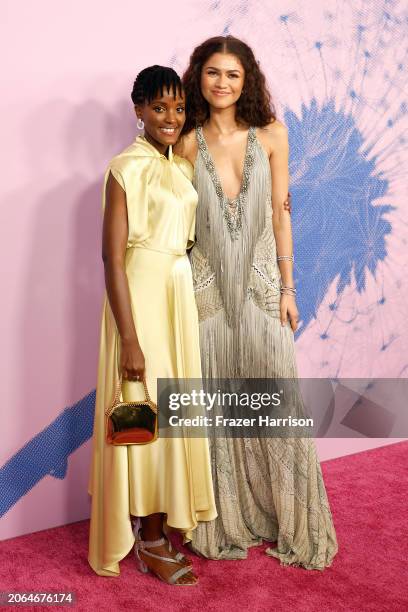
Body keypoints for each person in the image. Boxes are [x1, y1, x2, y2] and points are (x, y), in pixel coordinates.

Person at [175, 36, 338, 569]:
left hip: (265, 287)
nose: (222, 83)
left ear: (247, 82)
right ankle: (225, 518)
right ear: (198, 77)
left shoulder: (272, 135)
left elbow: (280, 214)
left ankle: (286, 519)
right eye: (213, 73)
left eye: (234, 75)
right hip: (206, 294)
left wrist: (290, 290)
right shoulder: (184, 142)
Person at [87, 65, 216, 584]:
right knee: (144, 414)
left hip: (177, 296)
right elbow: (111, 258)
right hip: (139, 297)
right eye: (159, 108)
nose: (170, 117)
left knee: (174, 411)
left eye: (178, 108)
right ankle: (147, 535)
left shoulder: (182, 169)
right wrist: (130, 338)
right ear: (138, 110)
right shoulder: (125, 167)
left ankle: (162, 523)